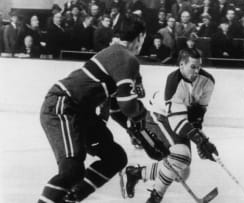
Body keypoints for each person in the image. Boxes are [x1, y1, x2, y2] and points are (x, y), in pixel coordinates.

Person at [37, 15, 147, 203]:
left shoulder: (119, 55)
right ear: (140, 36)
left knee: (115, 158)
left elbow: (115, 108)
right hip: (64, 106)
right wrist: (142, 122)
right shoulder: (124, 56)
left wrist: (132, 128)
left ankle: (70, 198)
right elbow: (128, 104)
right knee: (72, 170)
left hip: (81, 110)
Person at [124, 48, 218, 203]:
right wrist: (201, 141)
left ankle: (137, 173)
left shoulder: (208, 81)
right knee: (181, 156)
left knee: (181, 171)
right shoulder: (174, 83)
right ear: (181, 65)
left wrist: (201, 140)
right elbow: (177, 124)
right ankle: (155, 197)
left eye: (199, 67)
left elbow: (198, 113)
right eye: (192, 67)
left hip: (179, 117)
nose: (196, 71)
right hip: (159, 115)